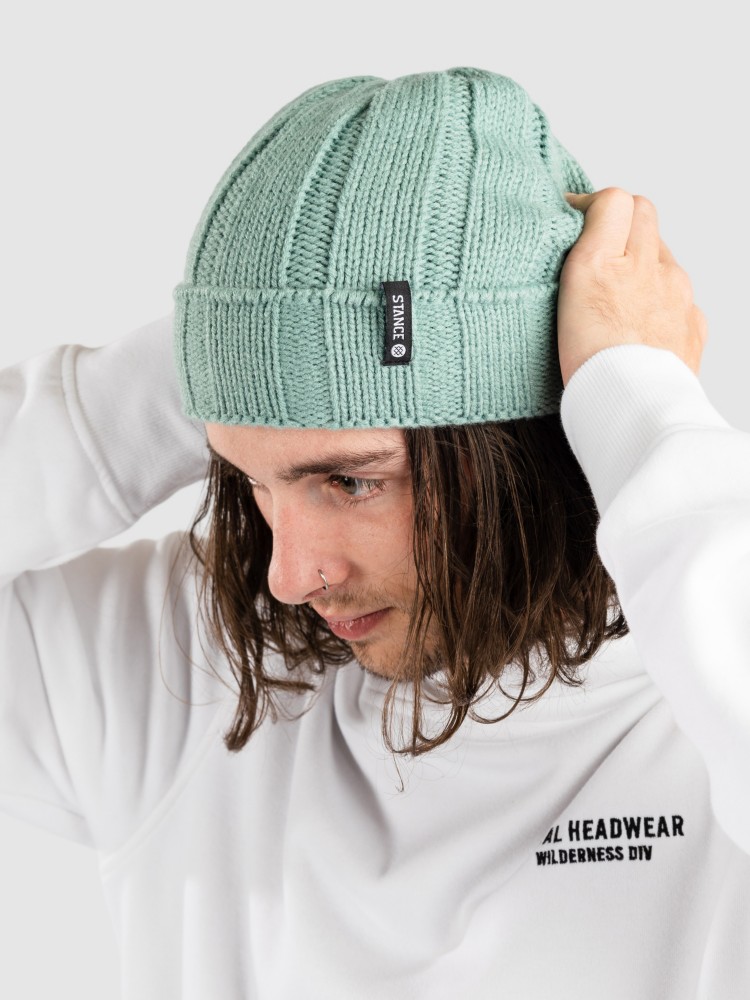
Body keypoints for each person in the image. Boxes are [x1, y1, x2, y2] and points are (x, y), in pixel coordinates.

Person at [0, 66, 747, 1000]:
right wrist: (211, 360)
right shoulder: (181, 666)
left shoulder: (703, 692)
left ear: (532, 439)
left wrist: (639, 404)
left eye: (351, 481)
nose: (288, 575)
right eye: (252, 481)